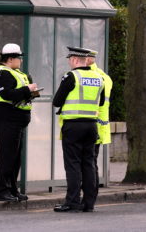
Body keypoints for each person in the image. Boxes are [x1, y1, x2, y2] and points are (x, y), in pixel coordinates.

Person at [53, 46, 105, 212]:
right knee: (88, 163)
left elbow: (57, 101)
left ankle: (73, 201)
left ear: (75, 60)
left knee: (73, 164)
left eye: (70, 59)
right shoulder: (99, 78)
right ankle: (89, 203)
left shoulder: (71, 76)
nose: (69, 62)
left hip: (73, 125)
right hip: (91, 125)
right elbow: (102, 102)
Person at [0, 43, 40, 202]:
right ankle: (1, 190)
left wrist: (31, 92)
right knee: (7, 155)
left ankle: (12, 189)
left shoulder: (16, 72)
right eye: (19, 58)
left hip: (17, 119)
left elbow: (19, 94)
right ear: (10, 59)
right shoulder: (2, 73)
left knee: (15, 156)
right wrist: (28, 90)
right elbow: (7, 94)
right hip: (7, 118)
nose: (21, 61)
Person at [85, 49, 113, 203]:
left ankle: (89, 199)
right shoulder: (104, 77)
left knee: (89, 163)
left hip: (93, 126)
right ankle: (90, 198)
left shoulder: (94, 76)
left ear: (89, 59)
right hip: (97, 126)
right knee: (91, 162)